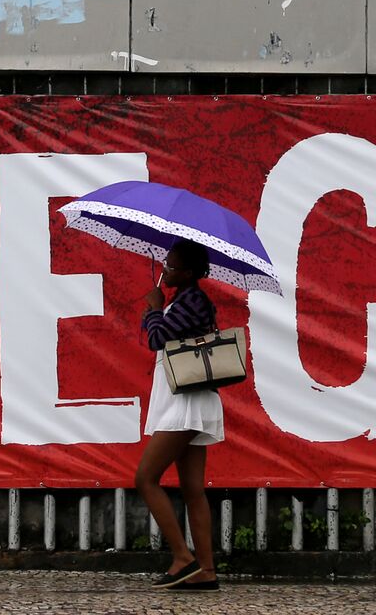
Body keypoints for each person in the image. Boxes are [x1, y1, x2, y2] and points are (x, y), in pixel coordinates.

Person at [136, 240, 222, 592]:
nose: (165, 269)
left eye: (171, 266)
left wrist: (155, 309)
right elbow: (164, 336)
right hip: (186, 399)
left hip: (185, 403)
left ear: (188, 273)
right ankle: (206, 570)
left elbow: (159, 340)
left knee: (145, 478)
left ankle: (182, 558)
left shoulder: (193, 300)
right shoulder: (184, 300)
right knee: (192, 489)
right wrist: (157, 312)